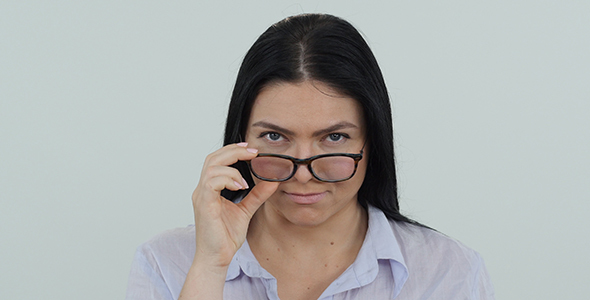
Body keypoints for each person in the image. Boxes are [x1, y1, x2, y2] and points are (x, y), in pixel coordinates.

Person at [125, 13, 495, 300]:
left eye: (334, 137)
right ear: (240, 141)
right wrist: (209, 265)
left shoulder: (449, 271)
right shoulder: (166, 261)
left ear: (372, 142)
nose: (303, 173)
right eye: (274, 136)